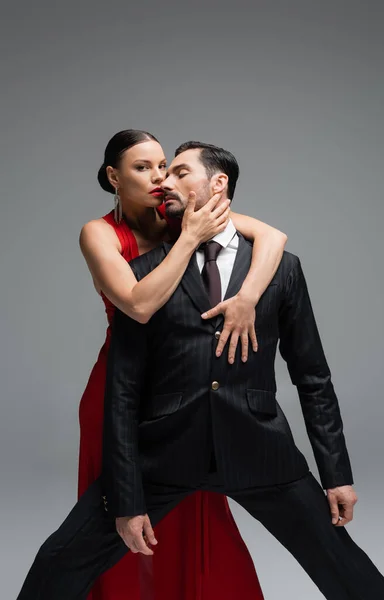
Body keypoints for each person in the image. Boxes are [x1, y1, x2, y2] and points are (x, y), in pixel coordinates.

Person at [19, 140, 384, 600]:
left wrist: (336, 473)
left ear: (217, 184)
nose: (163, 181)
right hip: (164, 451)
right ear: (114, 176)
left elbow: (312, 376)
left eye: (176, 171)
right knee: (60, 561)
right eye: (153, 170)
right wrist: (126, 498)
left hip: (259, 448)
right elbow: (122, 391)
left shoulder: (281, 270)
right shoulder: (144, 270)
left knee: (344, 566)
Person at [76, 130, 288, 600]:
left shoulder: (177, 213)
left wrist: (247, 298)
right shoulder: (99, 233)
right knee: (121, 521)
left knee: (199, 515)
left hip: (184, 388)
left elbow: (273, 237)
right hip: (121, 388)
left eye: (165, 167)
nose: (159, 178)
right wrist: (189, 238)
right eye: (143, 168)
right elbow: (139, 304)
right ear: (114, 176)